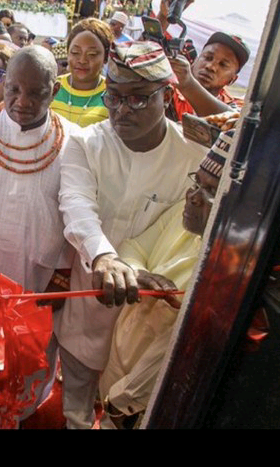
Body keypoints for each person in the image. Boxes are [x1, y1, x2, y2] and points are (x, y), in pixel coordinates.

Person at [53, 41, 207, 429]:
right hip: (89, 308)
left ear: (167, 96)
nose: (121, 110)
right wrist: (105, 258)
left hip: (151, 321)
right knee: (75, 413)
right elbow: (76, 206)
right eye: (114, 97)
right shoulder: (86, 142)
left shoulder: (193, 154)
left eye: (138, 99)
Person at [0, 46, 77, 428]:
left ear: (53, 91)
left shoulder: (75, 142)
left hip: (35, 279)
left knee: (16, 369)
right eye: (13, 89)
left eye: (36, 93)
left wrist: (64, 273)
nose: (22, 102)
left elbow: (79, 213)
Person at [99, 129, 234, 429]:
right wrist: (137, 272)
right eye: (196, 181)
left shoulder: (226, 272)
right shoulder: (182, 215)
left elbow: (174, 353)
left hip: (144, 400)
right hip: (120, 362)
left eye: (210, 191)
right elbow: (133, 247)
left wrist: (123, 405)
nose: (193, 196)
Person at [168, 32, 250, 121]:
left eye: (223, 64)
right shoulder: (168, 88)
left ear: (232, 80)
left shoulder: (236, 106)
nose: (211, 67)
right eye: (208, 57)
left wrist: (188, 85)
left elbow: (233, 122)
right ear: (195, 62)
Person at [50, 18, 113, 127]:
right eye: (75, 52)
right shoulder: (50, 88)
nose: (82, 60)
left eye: (92, 54)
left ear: (106, 57)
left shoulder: (113, 95)